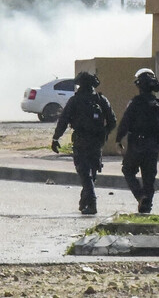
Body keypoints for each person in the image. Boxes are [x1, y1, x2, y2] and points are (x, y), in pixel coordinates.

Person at [51, 71, 116, 215]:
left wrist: (56, 138)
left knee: (84, 173)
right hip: (97, 141)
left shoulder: (75, 100)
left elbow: (63, 120)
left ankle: (91, 203)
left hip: (81, 140)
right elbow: (113, 121)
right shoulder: (101, 99)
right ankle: (84, 202)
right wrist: (104, 134)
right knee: (91, 173)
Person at [115, 68, 159, 214]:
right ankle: (147, 205)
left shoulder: (135, 103)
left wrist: (118, 139)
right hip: (154, 146)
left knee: (127, 169)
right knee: (149, 178)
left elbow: (125, 122)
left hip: (137, 144)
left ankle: (140, 196)